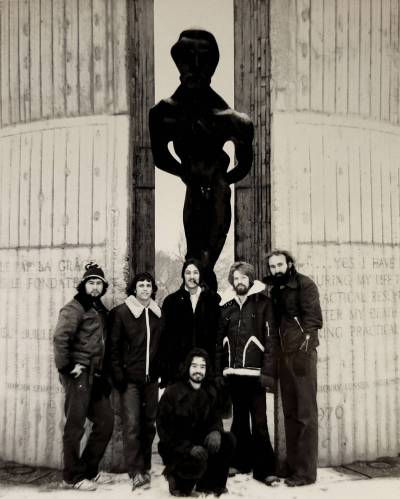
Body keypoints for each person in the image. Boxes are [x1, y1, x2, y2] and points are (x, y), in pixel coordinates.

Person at [149, 29, 254, 290]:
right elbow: (160, 158)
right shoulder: (164, 113)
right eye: (188, 57)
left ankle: (205, 300)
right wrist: (187, 173)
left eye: (203, 59)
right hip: (195, 188)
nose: (195, 66)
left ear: (212, 65)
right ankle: (197, 301)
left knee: (206, 258)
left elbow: (244, 165)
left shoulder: (233, 119)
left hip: (217, 190)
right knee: (195, 257)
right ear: (178, 61)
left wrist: (221, 180)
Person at [215, 261, 279, 485]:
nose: (239, 281)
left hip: (256, 374)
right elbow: (218, 341)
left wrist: (268, 372)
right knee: (239, 421)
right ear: (232, 281)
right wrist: (219, 371)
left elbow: (271, 340)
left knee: (259, 422)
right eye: (236, 278)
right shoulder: (226, 305)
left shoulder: (263, 303)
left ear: (250, 279)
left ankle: (265, 469)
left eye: (244, 277)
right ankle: (240, 462)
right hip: (233, 373)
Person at [264, 250, 323, 486]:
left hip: (302, 356)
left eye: (280, 265)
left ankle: (306, 472)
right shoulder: (276, 289)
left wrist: (304, 350)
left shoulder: (305, 285)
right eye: (272, 266)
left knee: (306, 414)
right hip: (284, 356)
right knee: (289, 412)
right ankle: (292, 464)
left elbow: (313, 321)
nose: (276, 270)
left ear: (290, 264)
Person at [53, 262, 114, 491]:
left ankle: (89, 470)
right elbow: (60, 338)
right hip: (78, 376)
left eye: (99, 283)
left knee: (106, 421)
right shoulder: (75, 307)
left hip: (95, 377)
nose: (95, 287)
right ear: (83, 285)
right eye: (91, 283)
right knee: (75, 426)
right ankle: (71, 476)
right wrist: (68, 367)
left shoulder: (98, 310)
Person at [157, 348, 235, 497]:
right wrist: (188, 448)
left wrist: (216, 431)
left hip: (199, 442)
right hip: (178, 449)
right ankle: (175, 478)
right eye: (194, 366)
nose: (198, 371)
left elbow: (215, 418)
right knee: (191, 471)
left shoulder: (210, 391)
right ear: (187, 367)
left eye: (202, 367)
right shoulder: (172, 393)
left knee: (228, 440)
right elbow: (164, 430)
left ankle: (210, 485)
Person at [109, 272, 162, 490]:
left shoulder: (158, 314)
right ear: (134, 289)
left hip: (151, 380)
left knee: (149, 423)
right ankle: (135, 471)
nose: (145, 289)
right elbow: (113, 348)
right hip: (130, 380)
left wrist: (161, 372)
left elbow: (163, 346)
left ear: (152, 289)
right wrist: (119, 376)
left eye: (148, 285)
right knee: (132, 425)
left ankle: (146, 464)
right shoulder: (122, 313)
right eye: (141, 285)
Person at [159, 258, 220, 388]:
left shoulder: (212, 300)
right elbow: (165, 337)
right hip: (179, 368)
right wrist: (166, 371)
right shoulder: (171, 301)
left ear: (201, 275)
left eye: (195, 272)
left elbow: (218, 335)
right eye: (188, 272)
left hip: (204, 368)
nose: (191, 276)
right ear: (183, 275)